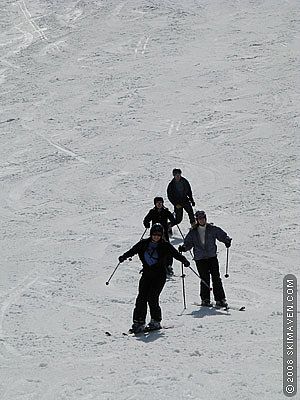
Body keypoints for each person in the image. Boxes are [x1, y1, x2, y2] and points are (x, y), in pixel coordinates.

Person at [118, 223, 190, 333]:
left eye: (158, 235)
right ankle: (139, 321)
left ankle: (155, 321)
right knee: (141, 297)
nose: (156, 237)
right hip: (146, 274)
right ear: (151, 234)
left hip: (159, 275)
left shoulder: (165, 245)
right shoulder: (144, 243)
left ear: (161, 235)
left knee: (152, 297)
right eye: (154, 234)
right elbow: (133, 250)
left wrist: (184, 260)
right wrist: (124, 256)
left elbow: (175, 254)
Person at [179, 210, 232, 308]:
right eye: (199, 219)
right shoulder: (193, 232)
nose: (201, 220)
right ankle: (205, 299)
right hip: (200, 259)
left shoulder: (212, 228)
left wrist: (226, 240)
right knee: (204, 278)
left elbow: (221, 235)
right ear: (197, 220)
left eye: (203, 218)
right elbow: (188, 243)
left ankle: (220, 299)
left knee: (216, 277)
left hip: (212, 256)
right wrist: (184, 247)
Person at [143, 197, 177, 276]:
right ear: (155, 204)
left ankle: (168, 266)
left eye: (160, 202)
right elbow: (146, 220)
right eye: (158, 202)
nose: (159, 204)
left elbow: (173, 220)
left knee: (167, 249)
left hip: (164, 234)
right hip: (154, 234)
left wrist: (172, 221)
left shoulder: (166, 211)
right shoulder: (152, 212)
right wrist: (146, 224)